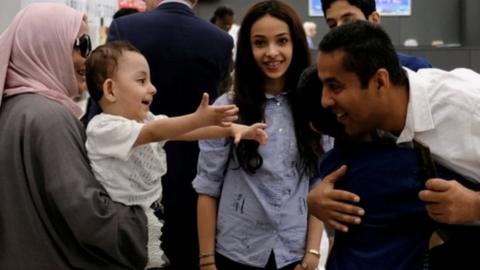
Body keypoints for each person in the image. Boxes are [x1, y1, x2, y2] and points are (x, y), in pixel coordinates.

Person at [308, 20, 480, 269]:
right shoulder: (370, 118)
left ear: (380, 81)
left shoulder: (468, 110)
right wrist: (317, 199)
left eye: (335, 86)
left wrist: (474, 206)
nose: (325, 100)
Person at [84, 41, 268, 269]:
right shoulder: (104, 127)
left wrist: (232, 130)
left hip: (147, 216)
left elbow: (188, 131)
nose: (152, 88)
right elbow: (155, 132)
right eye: (142, 81)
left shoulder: (145, 121)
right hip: (120, 224)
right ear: (111, 90)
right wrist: (198, 117)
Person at [0, 3, 149, 269]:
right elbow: (86, 212)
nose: (88, 58)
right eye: (81, 44)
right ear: (46, 45)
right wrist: (141, 219)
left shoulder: (13, 107)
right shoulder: (50, 118)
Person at [194, 1, 323, 269]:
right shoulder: (227, 107)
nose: (272, 52)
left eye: (282, 41)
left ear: (296, 44)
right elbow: (208, 186)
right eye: (260, 43)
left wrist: (312, 252)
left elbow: (319, 182)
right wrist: (207, 261)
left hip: (294, 252)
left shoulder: (315, 106)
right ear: (247, 48)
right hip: (236, 252)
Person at [320, 0, 432, 71]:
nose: (339, 30)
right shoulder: (329, 75)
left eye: (349, 21)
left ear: (374, 20)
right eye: (332, 25)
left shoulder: (414, 68)